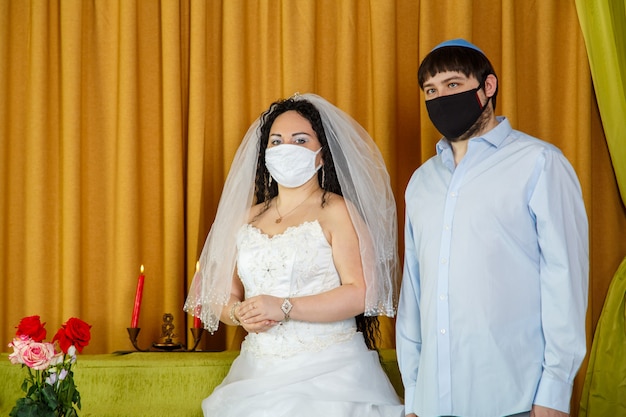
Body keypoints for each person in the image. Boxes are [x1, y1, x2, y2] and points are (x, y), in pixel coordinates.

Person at [396, 39, 589, 417]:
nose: (440, 98)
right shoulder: (421, 182)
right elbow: (414, 292)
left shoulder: (540, 163)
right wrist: (415, 391)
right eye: (430, 91)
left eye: (452, 85)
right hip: (433, 402)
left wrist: (555, 388)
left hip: (516, 400)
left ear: (488, 87)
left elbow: (564, 280)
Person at [184, 93, 404, 416]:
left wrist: (284, 307)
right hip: (256, 374)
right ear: (265, 154)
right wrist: (238, 313)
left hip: (331, 374)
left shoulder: (338, 212)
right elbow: (219, 293)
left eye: (300, 140)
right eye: (276, 141)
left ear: (321, 155)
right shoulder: (247, 218)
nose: (286, 148)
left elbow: (362, 292)